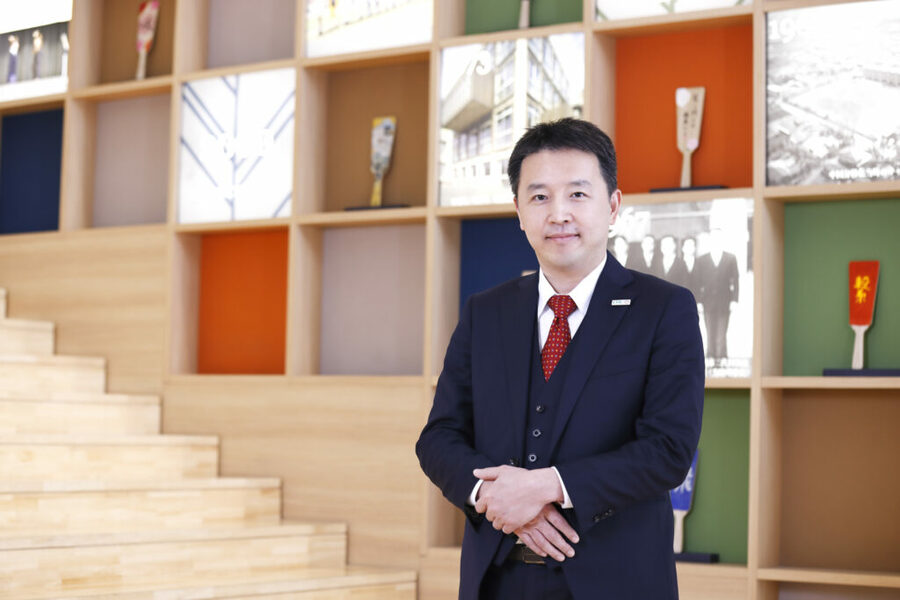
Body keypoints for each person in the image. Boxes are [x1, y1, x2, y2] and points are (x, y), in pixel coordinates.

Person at [416, 118, 705, 599]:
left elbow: (669, 450)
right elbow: (439, 437)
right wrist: (495, 496)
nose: (558, 214)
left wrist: (547, 487)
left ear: (612, 206)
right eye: (539, 197)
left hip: (615, 583)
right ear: (519, 211)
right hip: (496, 580)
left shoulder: (664, 309)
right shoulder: (485, 311)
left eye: (577, 194)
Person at [695, 228, 739, 368]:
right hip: (707, 302)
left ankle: (722, 357)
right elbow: (697, 282)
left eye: (719, 237)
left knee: (722, 331)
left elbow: (736, 280)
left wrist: (734, 300)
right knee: (709, 330)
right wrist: (698, 301)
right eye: (714, 238)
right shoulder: (702, 260)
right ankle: (710, 356)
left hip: (725, 301)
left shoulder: (730, 258)